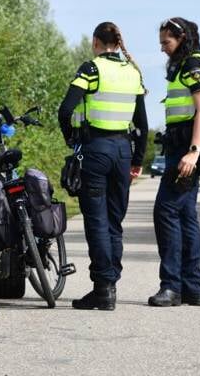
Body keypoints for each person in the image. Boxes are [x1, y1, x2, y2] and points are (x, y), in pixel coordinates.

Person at [58, 21, 148, 311]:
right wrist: (137, 160)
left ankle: (103, 288)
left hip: (95, 149)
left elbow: (65, 109)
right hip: (123, 151)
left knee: (96, 219)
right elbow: (143, 126)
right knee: (114, 220)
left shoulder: (92, 69)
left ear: (96, 41)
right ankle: (111, 283)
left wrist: (71, 138)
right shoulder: (132, 73)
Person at [149, 17, 200, 307]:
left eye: (166, 42)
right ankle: (192, 288)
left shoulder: (194, 64)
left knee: (165, 211)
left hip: (185, 148)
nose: (162, 49)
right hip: (183, 144)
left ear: (181, 38)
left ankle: (172, 287)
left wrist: (194, 149)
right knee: (185, 216)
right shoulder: (192, 64)